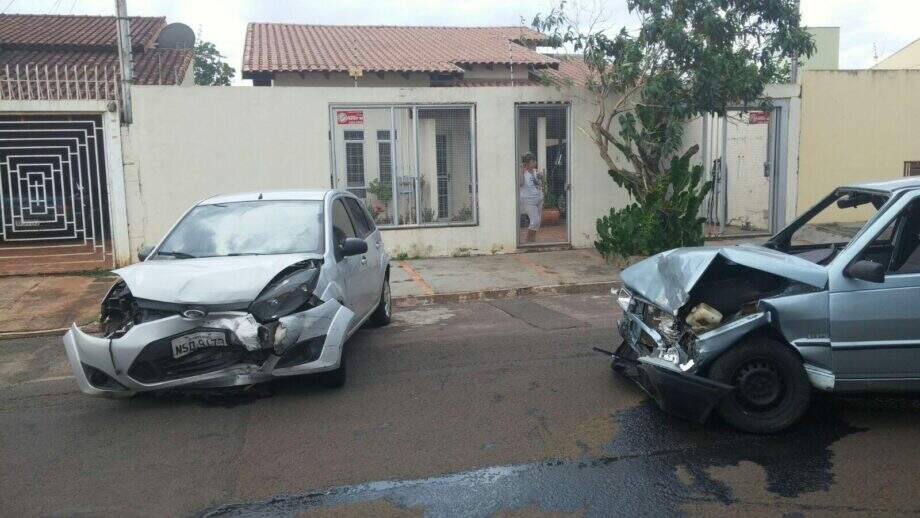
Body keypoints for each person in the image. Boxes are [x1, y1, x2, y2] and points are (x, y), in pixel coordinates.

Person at [519, 152, 545, 243]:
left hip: (539, 199)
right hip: (528, 200)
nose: (535, 163)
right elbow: (521, 183)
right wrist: (521, 171)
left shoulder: (535, 171)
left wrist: (541, 177)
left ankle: (532, 240)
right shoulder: (522, 172)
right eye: (533, 161)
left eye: (535, 161)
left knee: (537, 223)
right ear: (528, 163)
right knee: (535, 221)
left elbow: (540, 182)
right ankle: (527, 240)